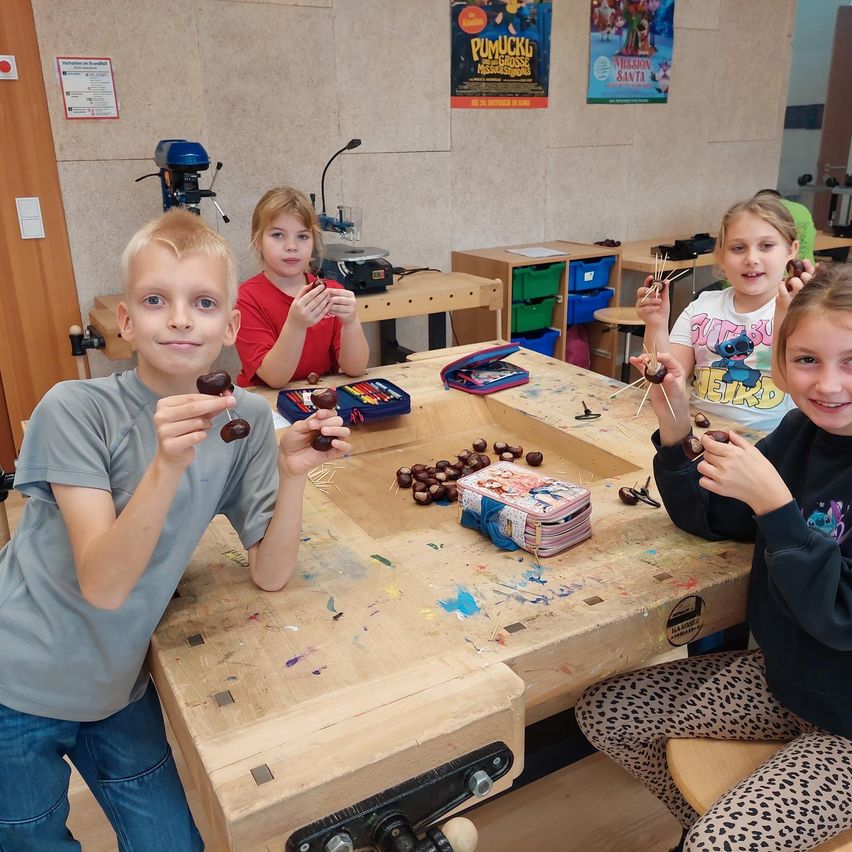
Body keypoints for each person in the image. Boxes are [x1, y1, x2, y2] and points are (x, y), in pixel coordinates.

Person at [0, 210, 351, 850]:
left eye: (204, 302)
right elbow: (103, 585)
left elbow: (271, 576)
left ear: (231, 327)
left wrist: (292, 472)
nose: (182, 318)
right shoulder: (74, 410)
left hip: (118, 684)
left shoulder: (242, 418)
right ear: (127, 323)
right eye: (157, 300)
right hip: (17, 680)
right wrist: (166, 464)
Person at [576, 262, 852, 852]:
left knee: (719, 845)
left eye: (850, 361)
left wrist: (777, 508)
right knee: (607, 713)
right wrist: (676, 427)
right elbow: (714, 518)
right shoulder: (801, 434)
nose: (828, 385)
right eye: (807, 360)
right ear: (780, 362)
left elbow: (842, 617)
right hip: (787, 683)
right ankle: (699, 829)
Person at [637, 195, 800, 429]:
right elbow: (667, 384)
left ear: (790, 250)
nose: (751, 259)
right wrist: (656, 324)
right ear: (721, 257)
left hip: (770, 443)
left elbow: (795, 382)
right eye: (738, 248)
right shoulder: (701, 308)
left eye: (766, 246)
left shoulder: (802, 311)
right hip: (700, 433)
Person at [235, 186, 369, 388]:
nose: (292, 246)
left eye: (303, 236)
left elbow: (355, 369)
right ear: (258, 240)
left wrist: (351, 322)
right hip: (268, 408)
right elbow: (275, 378)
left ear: (313, 241)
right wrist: (296, 325)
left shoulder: (328, 292)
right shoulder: (245, 299)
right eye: (278, 235)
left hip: (320, 403)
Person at [754, 188, 817, 264]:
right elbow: (813, 232)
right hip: (809, 267)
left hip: (784, 270)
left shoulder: (769, 209)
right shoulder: (802, 208)